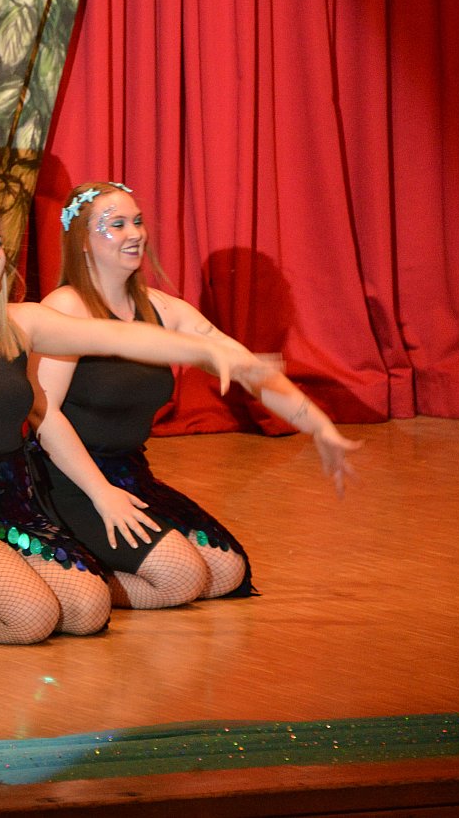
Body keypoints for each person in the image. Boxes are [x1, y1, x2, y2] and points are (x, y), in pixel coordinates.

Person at [0, 200, 275, 643]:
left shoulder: (19, 323)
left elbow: (114, 335)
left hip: (15, 507)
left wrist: (203, 350)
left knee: (88, 610)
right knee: (33, 618)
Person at [32, 181, 360, 604]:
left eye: (137, 221)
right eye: (117, 224)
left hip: (128, 473)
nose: (134, 233)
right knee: (182, 578)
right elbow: (43, 413)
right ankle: (73, 584)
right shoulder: (65, 308)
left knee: (225, 570)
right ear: (82, 241)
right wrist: (101, 493)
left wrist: (319, 426)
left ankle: (95, 574)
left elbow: (247, 369)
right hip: (65, 478)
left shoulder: (164, 309)